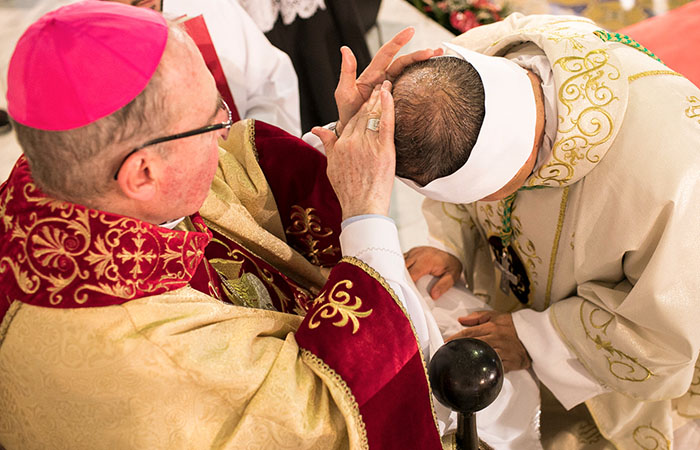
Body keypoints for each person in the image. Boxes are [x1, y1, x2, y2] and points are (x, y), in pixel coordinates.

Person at [0, 2, 450, 448]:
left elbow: (238, 174)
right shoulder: (150, 362)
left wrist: (348, 137)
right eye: (210, 120)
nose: (223, 130)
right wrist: (366, 215)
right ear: (141, 174)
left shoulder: (64, 185)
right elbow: (336, 414)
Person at [392, 12, 700, 450]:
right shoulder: (484, 55)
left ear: (518, 167)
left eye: (485, 195)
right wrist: (451, 246)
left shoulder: (676, 172)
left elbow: (663, 334)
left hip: (607, 382)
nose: (480, 205)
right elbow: (454, 182)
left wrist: (538, 338)